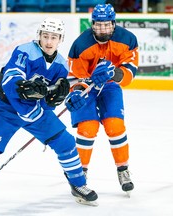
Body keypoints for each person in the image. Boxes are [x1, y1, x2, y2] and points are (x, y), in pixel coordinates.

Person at [0, 17, 98, 216]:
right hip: (5, 109)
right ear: (39, 36)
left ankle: (78, 185)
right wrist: (25, 91)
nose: (49, 41)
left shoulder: (60, 64)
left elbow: (52, 98)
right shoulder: (25, 51)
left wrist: (58, 97)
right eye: (45, 36)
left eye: (54, 37)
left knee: (66, 142)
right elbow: (10, 80)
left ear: (60, 39)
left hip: (34, 111)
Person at [65, 3, 139, 195]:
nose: (102, 29)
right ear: (93, 24)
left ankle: (123, 170)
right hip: (87, 87)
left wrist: (113, 73)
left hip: (110, 86)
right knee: (87, 128)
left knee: (115, 126)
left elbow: (129, 73)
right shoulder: (81, 45)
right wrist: (77, 92)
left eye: (106, 25)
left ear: (113, 24)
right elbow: (74, 77)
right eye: (98, 24)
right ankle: (79, 177)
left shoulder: (127, 39)